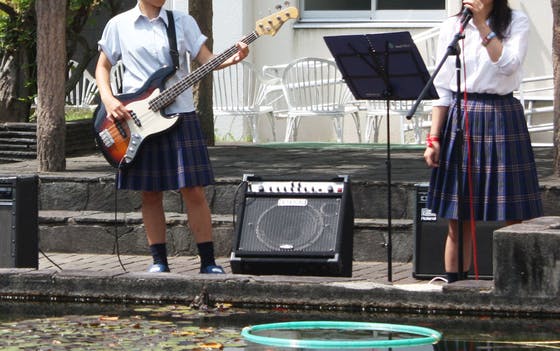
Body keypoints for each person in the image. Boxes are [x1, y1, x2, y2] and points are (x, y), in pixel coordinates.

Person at [95, 0, 248, 273]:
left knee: (194, 190)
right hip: (137, 119)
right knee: (150, 193)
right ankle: (159, 262)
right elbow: (103, 67)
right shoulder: (118, 25)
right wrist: (108, 99)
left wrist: (232, 58)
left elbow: (206, 60)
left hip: (181, 115)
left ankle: (208, 262)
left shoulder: (182, 22)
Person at [424, 0, 543, 282]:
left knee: (513, 211)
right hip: (461, 115)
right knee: (458, 214)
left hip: (501, 114)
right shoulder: (452, 26)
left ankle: (517, 285)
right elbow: (442, 87)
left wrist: (481, 26)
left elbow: (508, 65)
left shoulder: (516, 22)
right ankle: (453, 286)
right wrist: (433, 137)